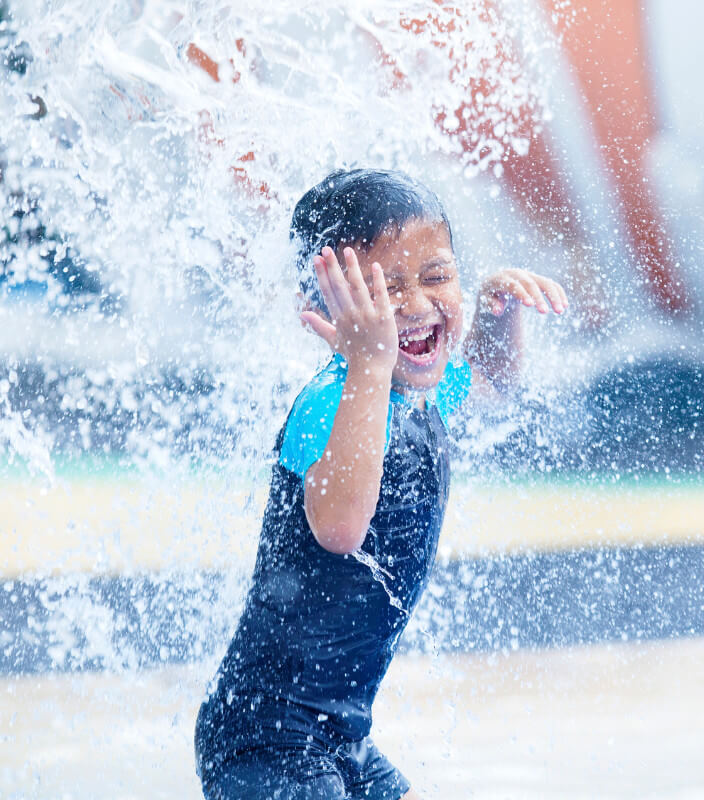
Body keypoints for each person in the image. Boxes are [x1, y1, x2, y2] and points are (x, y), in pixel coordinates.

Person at [194, 168, 568, 799]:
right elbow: (340, 530)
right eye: (383, 290)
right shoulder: (331, 403)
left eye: (436, 276)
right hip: (266, 738)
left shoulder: (412, 394)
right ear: (323, 309)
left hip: (338, 736)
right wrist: (369, 360)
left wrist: (500, 314)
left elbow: (495, 384)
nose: (418, 305)